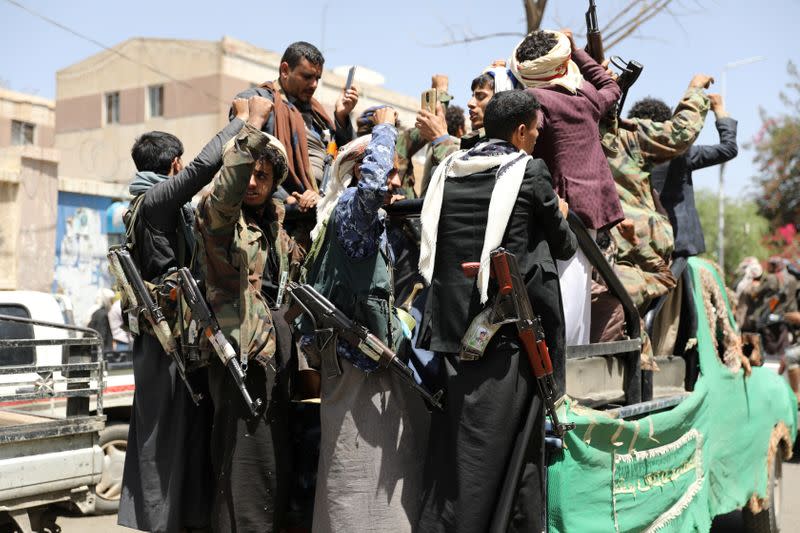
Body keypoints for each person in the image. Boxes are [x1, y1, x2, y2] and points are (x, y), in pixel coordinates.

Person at [416, 90, 576, 533]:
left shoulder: (450, 169)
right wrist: (557, 212)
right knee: (491, 459)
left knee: (461, 453)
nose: (537, 141)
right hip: (506, 340)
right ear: (521, 131)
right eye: (536, 133)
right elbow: (564, 244)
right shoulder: (530, 172)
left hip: (451, 332)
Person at [117, 98, 247, 533]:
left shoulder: (147, 204)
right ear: (174, 165)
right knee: (164, 437)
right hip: (163, 341)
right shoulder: (155, 202)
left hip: (169, 341)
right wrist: (242, 124)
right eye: (181, 166)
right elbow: (203, 170)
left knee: (177, 434)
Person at [300, 107, 429, 533]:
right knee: (361, 478)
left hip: (357, 365)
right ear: (358, 171)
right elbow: (372, 187)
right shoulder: (352, 211)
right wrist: (385, 128)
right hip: (360, 371)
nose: (395, 182)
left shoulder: (351, 218)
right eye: (389, 170)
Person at [194, 95, 299, 532]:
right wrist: (251, 128)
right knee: (240, 475)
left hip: (276, 357)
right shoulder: (219, 218)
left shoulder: (275, 225)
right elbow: (226, 192)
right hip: (238, 354)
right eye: (249, 172)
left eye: (264, 174)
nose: (254, 181)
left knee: (274, 470)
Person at [509, 28, 623, 346]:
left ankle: (560, 377)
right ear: (563, 63)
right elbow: (610, 85)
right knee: (576, 297)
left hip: (560, 213)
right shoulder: (585, 97)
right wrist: (576, 48)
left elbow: (522, 141)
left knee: (560, 299)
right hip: (594, 209)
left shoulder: (536, 100)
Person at [233, 41, 357, 197]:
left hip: (324, 203)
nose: (314, 85)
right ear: (285, 70)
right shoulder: (258, 102)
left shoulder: (317, 114)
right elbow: (241, 161)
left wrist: (342, 116)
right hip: (287, 210)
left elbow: (347, 157)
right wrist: (288, 200)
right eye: (307, 77)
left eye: (317, 78)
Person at [651, 93, 739, 258]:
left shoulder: (625, 154)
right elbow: (728, 149)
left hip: (640, 243)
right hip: (677, 246)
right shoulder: (681, 155)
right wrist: (719, 110)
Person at [86, 288, 114, 352]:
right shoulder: (102, 314)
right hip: (103, 351)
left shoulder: (97, 311)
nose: (112, 303)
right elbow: (102, 336)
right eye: (111, 300)